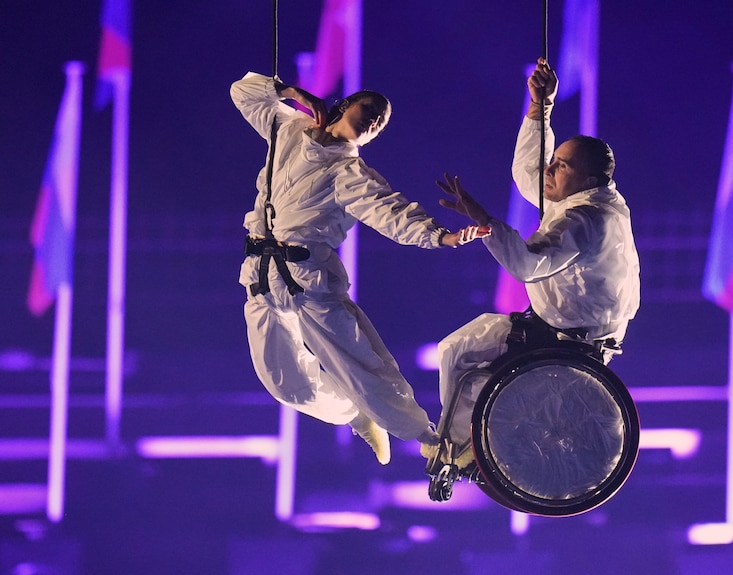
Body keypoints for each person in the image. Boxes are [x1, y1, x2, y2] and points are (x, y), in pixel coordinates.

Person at [230, 72, 481, 465]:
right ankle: (353, 414)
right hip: (262, 275)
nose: (375, 121)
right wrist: (292, 92)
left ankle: (427, 438)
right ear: (345, 105)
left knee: (361, 365)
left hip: (308, 279)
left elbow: (390, 210)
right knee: (284, 383)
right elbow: (242, 92)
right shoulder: (287, 127)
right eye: (372, 110)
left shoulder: (350, 173)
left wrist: (440, 236)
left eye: (381, 122)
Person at [430, 58, 641, 461]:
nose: (550, 169)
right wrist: (538, 109)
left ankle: (467, 447)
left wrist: (483, 221)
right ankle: (463, 445)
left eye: (560, 166)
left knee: (462, 358)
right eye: (554, 160)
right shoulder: (584, 196)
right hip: (563, 326)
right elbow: (530, 172)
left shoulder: (586, 218)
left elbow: (528, 264)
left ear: (588, 180)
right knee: (456, 353)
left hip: (572, 338)